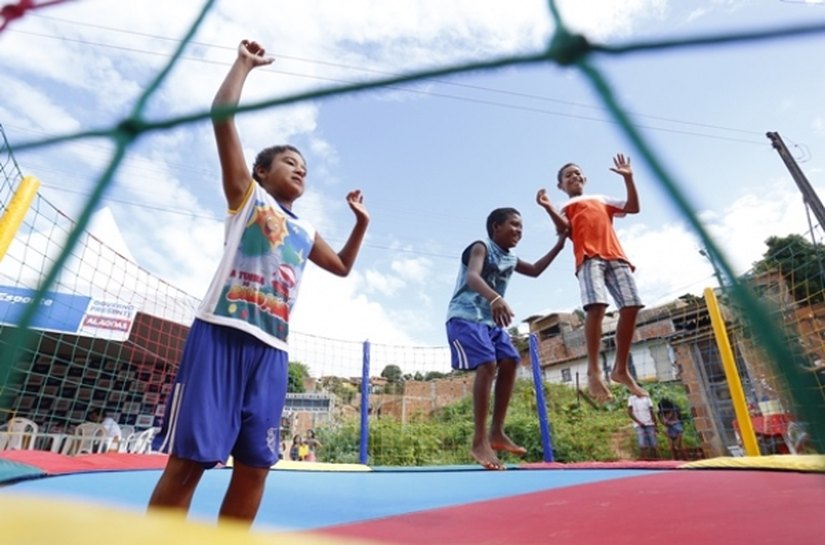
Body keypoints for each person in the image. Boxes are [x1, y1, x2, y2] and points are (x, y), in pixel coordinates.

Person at [147, 38, 370, 526]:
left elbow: (341, 267)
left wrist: (360, 224)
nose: (300, 169)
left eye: (305, 168)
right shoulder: (248, 198)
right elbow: (222, 118)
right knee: (190, 459)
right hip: (221, 333)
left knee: (255, 466)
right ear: (263, 172)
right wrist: (243, 65)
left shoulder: (304, 230)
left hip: (271, 350)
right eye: (290, 162)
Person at [446, 198, 566, 470]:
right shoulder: (481, 247)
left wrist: (559, 244)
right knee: (488, 364)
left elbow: (534, 270)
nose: (519, 231)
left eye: (521, 227)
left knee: (511, 360)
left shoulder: (510, 258)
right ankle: (479, 441)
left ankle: (496, 432)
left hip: (489, 323)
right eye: (514, 224)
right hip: (464, 317)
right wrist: (495, 298)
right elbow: (472, 277)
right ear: (496, 227)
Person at [537, 154, 648, 402]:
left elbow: (633, 207)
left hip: (616, 255)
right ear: (560, 185)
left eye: (577, 173)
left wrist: (629, 178)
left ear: (585, 178)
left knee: (632, 305)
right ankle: (594, 371)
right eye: (568, 175)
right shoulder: (563, 207)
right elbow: (564, 230)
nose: (574, 176)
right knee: (596, 306)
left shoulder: (601, 199)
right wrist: (548, 207)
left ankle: (620, 369)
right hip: (588, 257)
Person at [628, 393, 658, 460]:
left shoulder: (647, 398)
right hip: (639, 425)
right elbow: (630, 412)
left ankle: (654, 460)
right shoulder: (631, 398)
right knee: (642, 444)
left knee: (653, 444)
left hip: (649, 423)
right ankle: (644, 460)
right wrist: (638, 422)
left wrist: (655, 424)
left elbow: (651, 411)